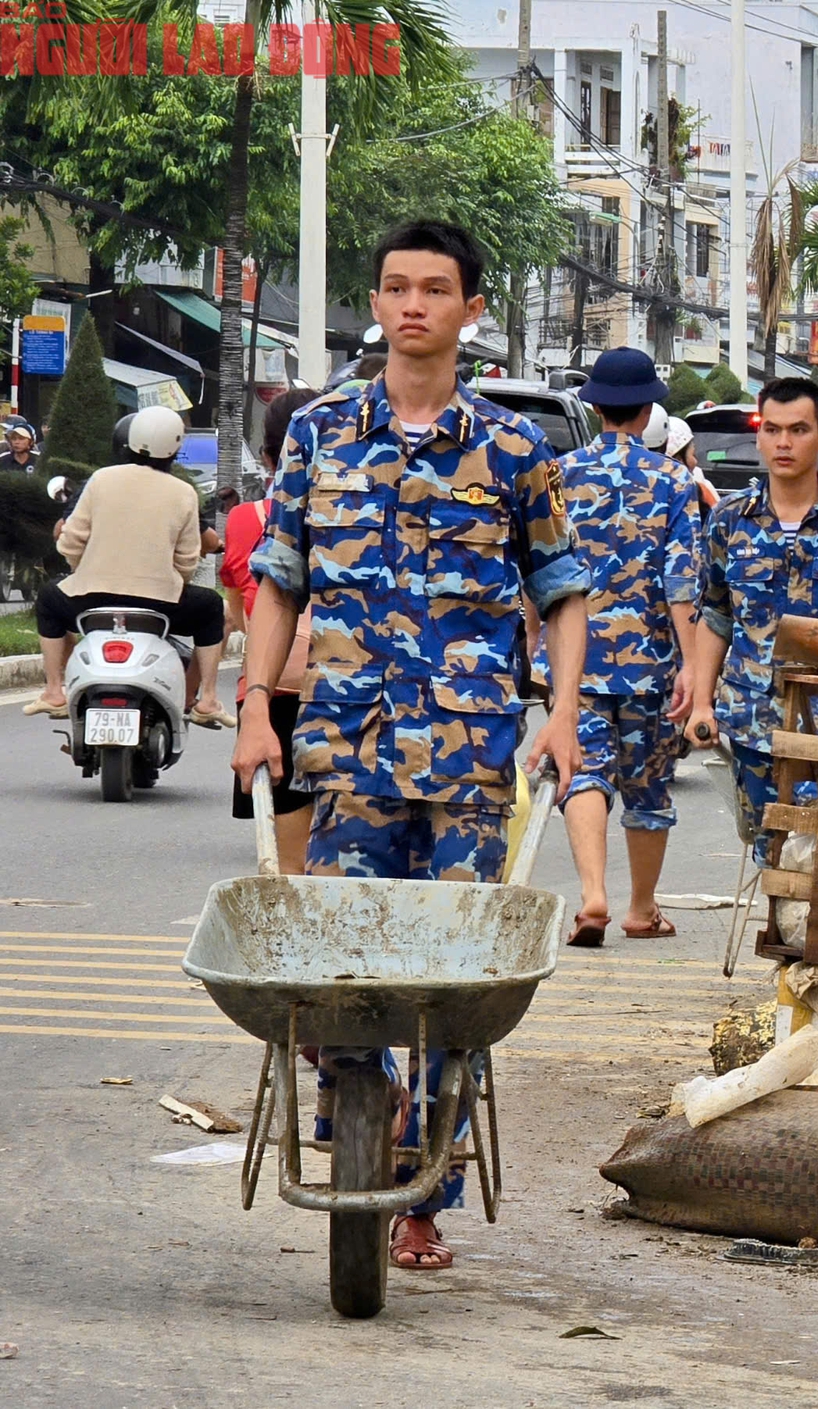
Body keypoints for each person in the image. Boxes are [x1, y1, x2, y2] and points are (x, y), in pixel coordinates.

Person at [232, 219, 591, 1274]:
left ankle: (425, 1193)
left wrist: (564, 712)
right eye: (395, 287)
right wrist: (254, 703)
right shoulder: (320, 433)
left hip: (472, 760)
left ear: (471, 309)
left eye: (435, 288)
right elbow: (279, 581)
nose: (412, 305)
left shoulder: (515, 450)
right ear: (379, 302)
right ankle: (365, 1105)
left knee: (454, 981)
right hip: (347, 750)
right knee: (341, 969)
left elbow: (563, 593)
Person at [680, 377, 818, 865]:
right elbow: (715, 615)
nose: (784, 443)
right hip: (753, 720)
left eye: (798, 430)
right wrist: (702, 704)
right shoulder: (729, 520)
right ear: (759, 437)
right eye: (772, 429)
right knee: (771, 851)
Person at [543, 348, 702, 948]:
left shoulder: (560, 473)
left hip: (575, 662)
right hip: (652, 664)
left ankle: (592, 895)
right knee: (649, 788)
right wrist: (692, 665)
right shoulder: (674, 481)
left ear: (595, 408)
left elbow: (541, 570)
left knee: (583, 771)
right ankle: (640, 908)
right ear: (647, 410)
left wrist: (532, 643)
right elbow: (682, 580)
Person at [25, 405, 232, 725]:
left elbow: (69, 541)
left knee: (49, 599)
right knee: (212, 607)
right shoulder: (184, 493)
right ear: (175, 447)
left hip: (88, 599)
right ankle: (207, 699)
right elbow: (187, 560)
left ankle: (54, 690)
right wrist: (169, 579)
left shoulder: (100, 479)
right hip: (161, 605)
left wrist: (85, 570)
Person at [220, 386, 321, 874]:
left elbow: (242, 608)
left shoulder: (246, 518)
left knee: (290, 869)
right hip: (342, 683)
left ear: (267, 456)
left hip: (272, 684)